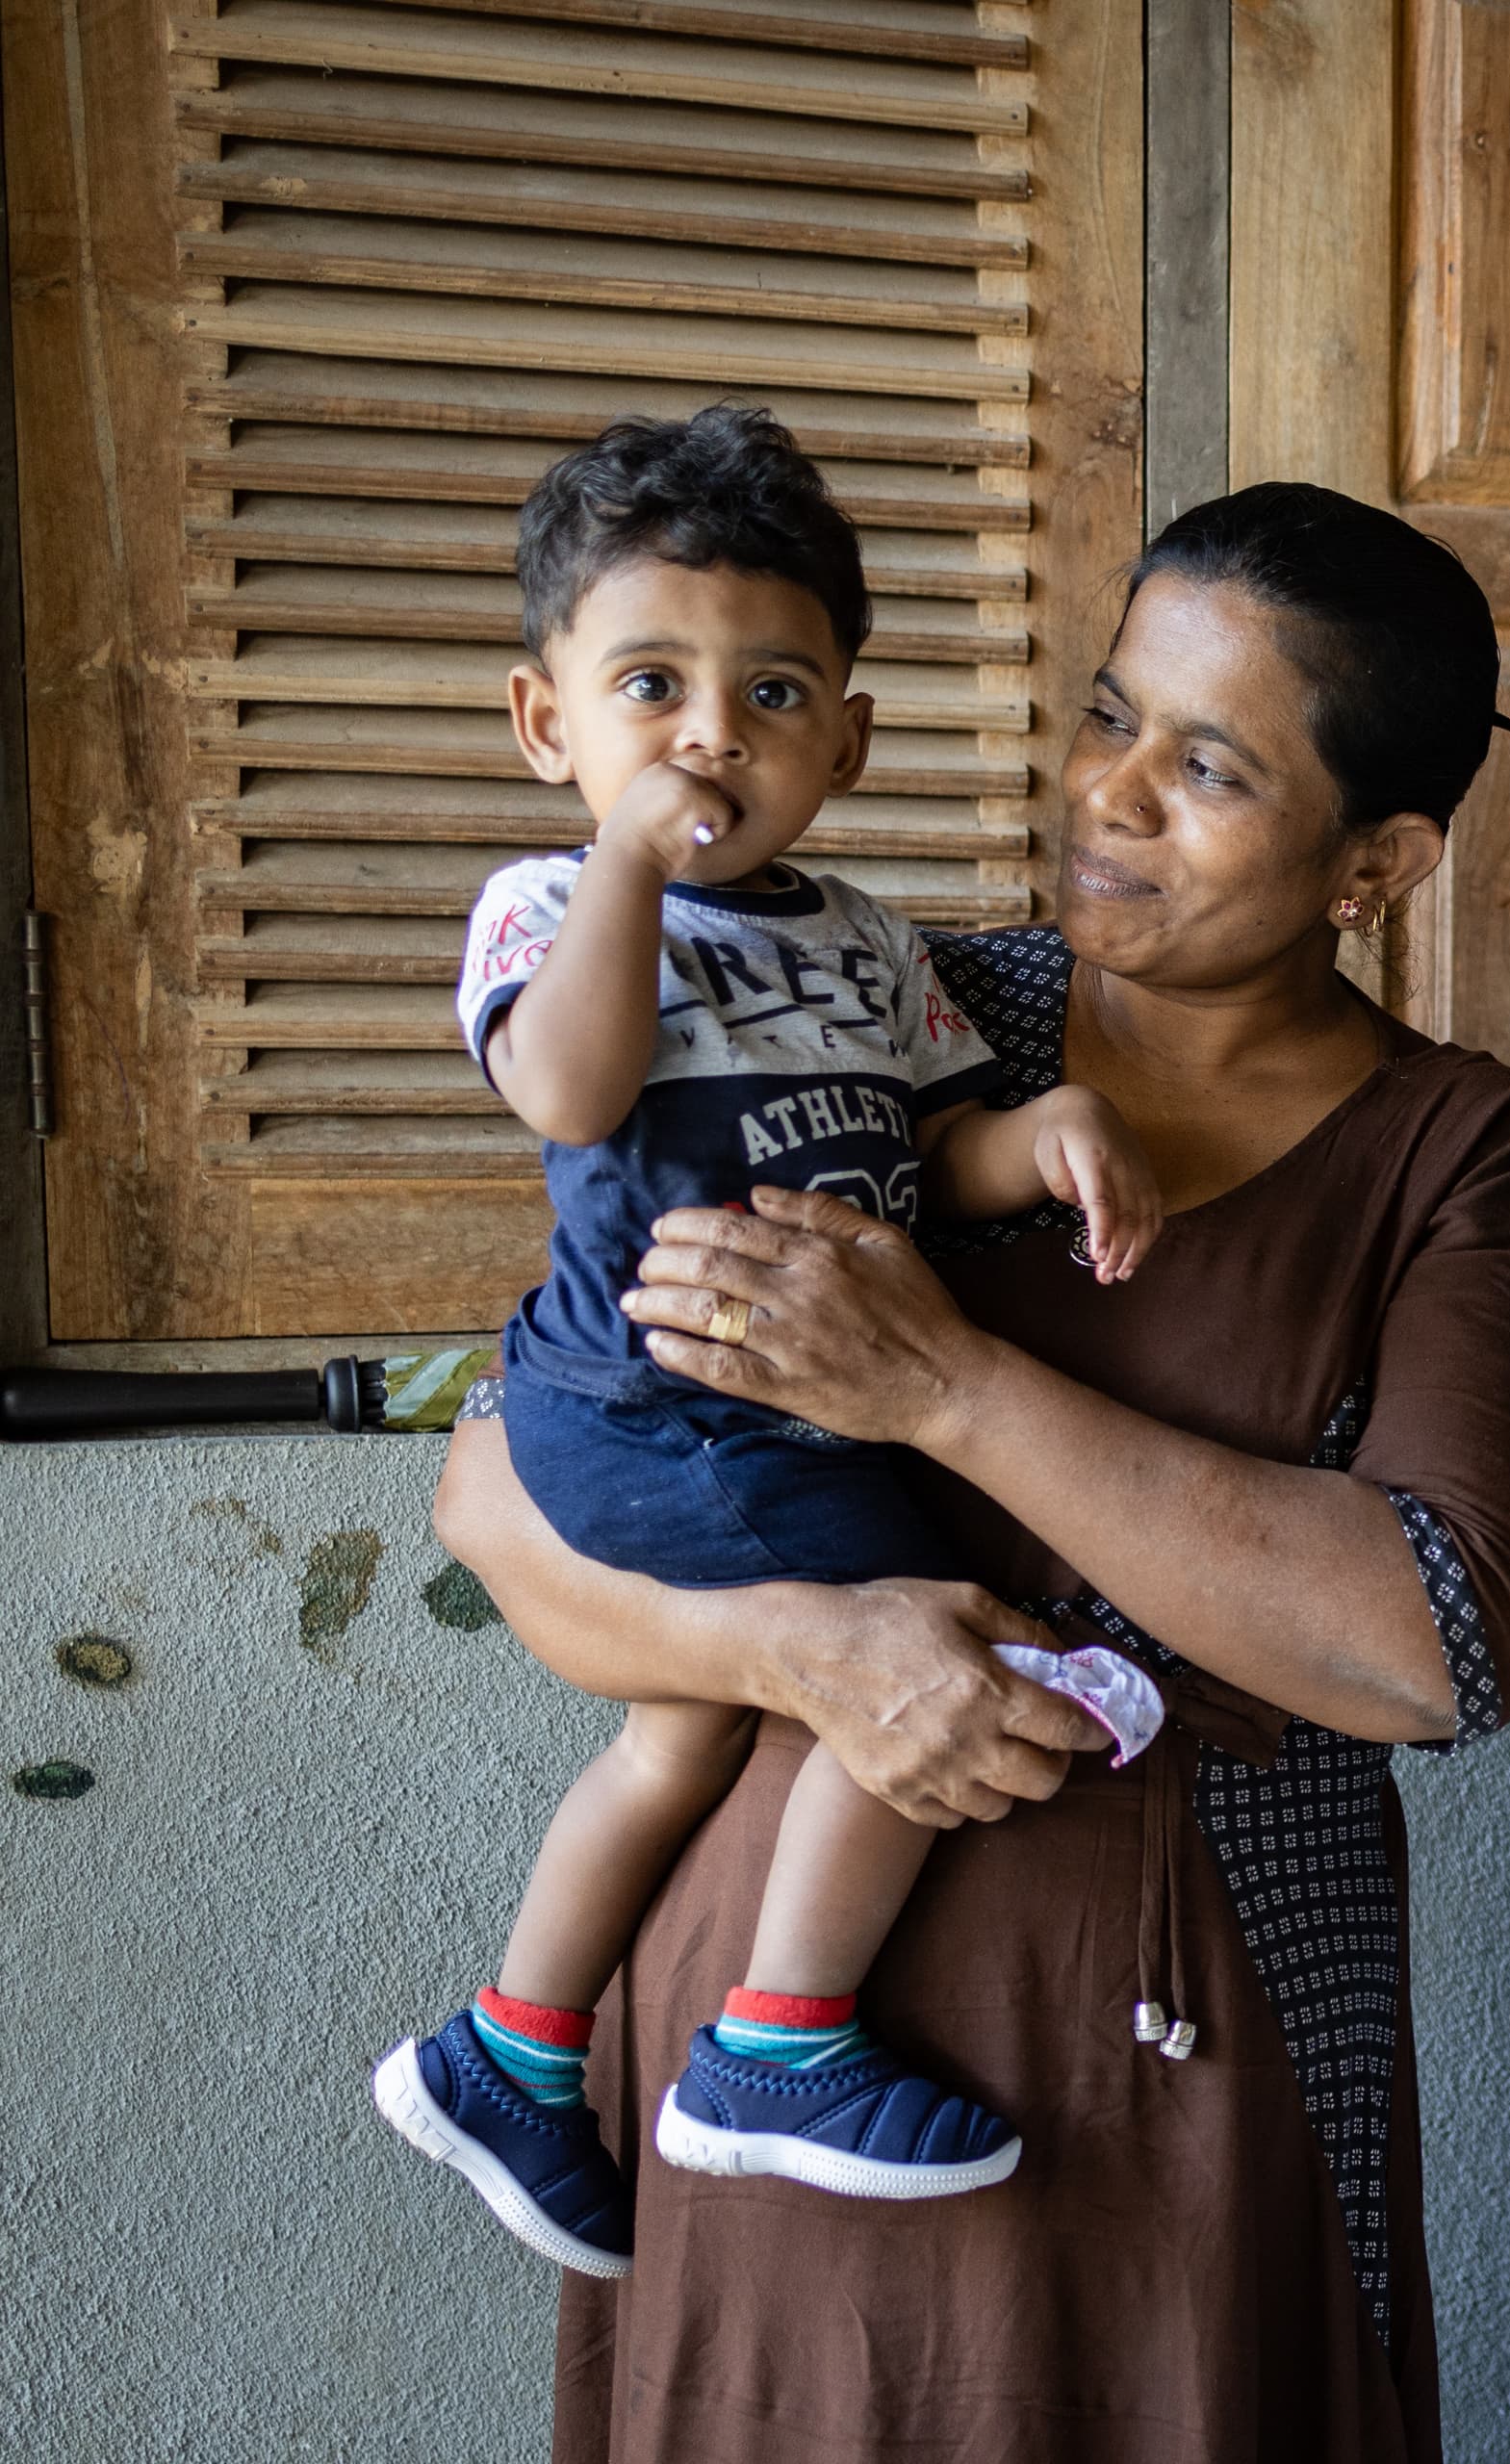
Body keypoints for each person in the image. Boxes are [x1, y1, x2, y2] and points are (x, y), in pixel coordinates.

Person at [431, 480, 1510, 2463]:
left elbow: (1439, 1644)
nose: (1110, 794)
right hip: (762, 2027)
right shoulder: (871, 1002)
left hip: (1198, 2046)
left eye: (1208, 764)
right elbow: (491, 1482)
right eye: (1107, 713)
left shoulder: (1462, 1154)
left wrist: (949, 1385)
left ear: (1377, 863)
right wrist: (822, 1656)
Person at [377, 410, 1174, 2270]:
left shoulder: (872, 941)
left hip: (771, 1410)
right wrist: (633, 876)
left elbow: (934, 1153)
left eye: (774, 689)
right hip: (663, 1407)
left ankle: (509, 2050)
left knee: (674, 1739)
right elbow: (572, 1095)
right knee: (906, 1631)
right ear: (543, 721)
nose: (710, 733)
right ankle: (774, 2043)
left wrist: (1041, 1138)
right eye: (649, 684)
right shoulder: (554, 909)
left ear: (848, 739)